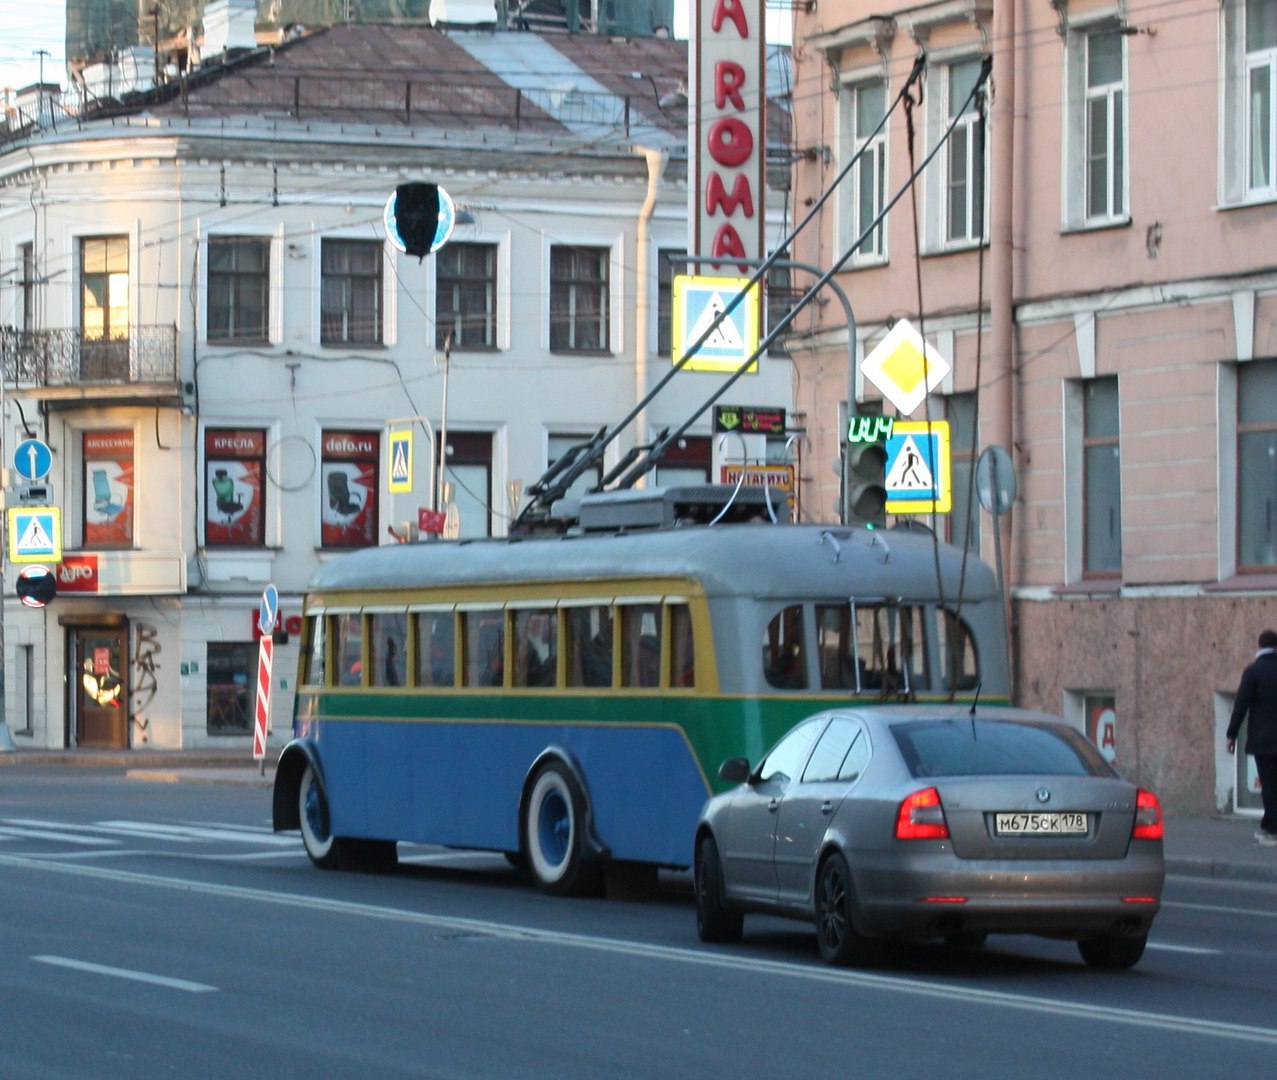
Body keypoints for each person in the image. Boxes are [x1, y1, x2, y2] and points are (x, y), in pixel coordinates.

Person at [1227, 628, 1277, 846]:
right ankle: (1268, 826)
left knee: (1269, 785)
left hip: (1264, 740)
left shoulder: (1253, 672)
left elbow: (1241, 706)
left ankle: (1273, 831)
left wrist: (1231, 734)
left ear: (1259, 645)